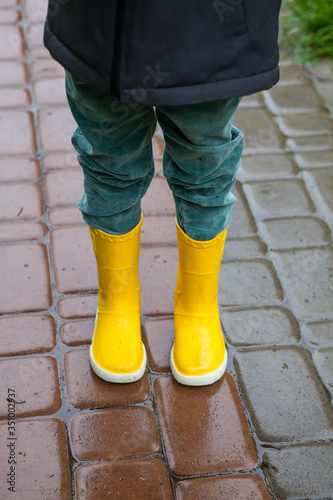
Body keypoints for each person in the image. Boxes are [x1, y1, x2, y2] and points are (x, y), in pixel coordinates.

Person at [43, 0, 282, 386]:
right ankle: (117, 300)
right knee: (109, 157)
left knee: (205, 162)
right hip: (99, 21)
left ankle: (197, 303)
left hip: (211, 24)